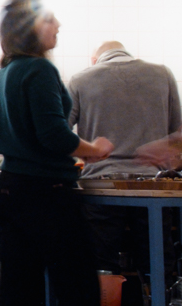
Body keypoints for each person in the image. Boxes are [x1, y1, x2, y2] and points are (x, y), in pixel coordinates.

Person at [0, 0, 121, 306]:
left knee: (17, 296)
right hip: (48, 195)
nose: (58, 25)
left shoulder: (5, 72)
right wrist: (94, 149)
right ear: (30, 29)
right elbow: (55, 136)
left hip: (12, 188)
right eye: (49, 20)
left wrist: (58, 156)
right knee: (80, 295)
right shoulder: (40, 70)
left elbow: (1, 137)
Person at [67, 41, 181, 273]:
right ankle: (158, 305)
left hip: (101, 186)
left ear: (95, 59)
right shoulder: (163, 74)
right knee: (157, 259)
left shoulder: (80, 79)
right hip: (153, 184)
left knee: (102, 262)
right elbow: (177, 133)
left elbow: (60, 134)